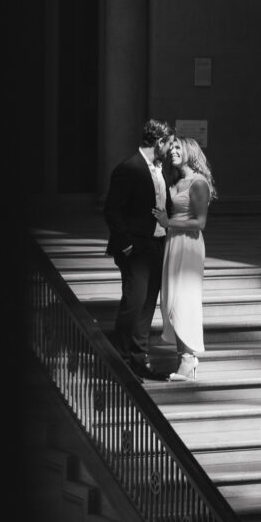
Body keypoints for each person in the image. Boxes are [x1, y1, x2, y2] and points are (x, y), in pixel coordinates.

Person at [103, 118, 175, 381]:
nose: (169, 150)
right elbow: (112, 210)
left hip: (156, 244)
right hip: (135, 248)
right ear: (159, 142)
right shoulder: (128, 168)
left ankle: (137, 360)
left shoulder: (160, 169)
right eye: (168, 144)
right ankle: (119, 363)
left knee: (146, 307)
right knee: (133, 304)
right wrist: (127, 244)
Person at [153, 136, 217, 381]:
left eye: (178, 147)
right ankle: (184, 356)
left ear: (190, 151)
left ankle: (188, 359)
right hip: (173, 243)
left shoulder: (198, 183)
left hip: (188, 246)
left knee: (183, 301)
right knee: (170, 300)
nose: (173, 151)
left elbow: (200, 223)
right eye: (172, 148)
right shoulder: (175, 181)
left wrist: (169, 222)